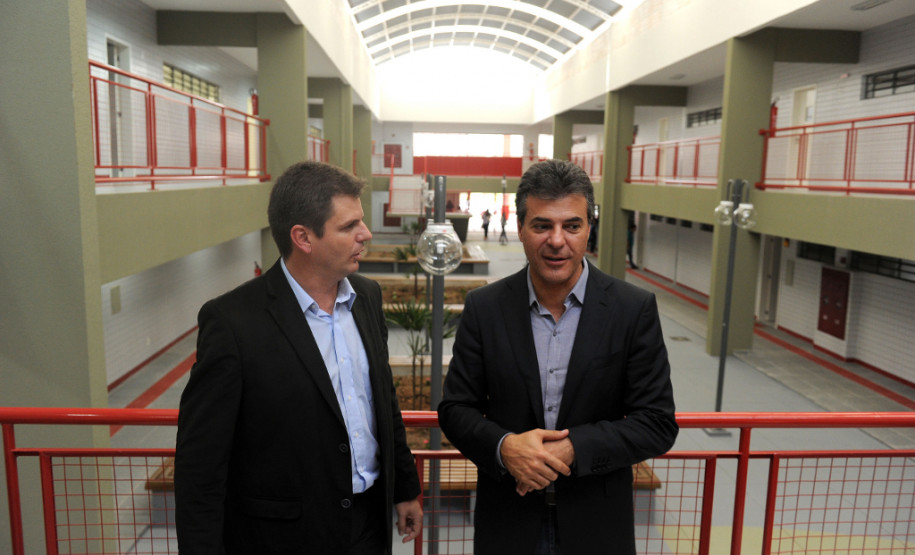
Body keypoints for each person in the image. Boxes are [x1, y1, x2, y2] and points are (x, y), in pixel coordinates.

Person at [175, 160, 423, 554]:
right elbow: (200, 465)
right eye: (349, 226)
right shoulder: (233, 322)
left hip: (369, 526)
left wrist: (405, 488)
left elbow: (383, 403)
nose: (366, 234)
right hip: (284, 537)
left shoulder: (367, 297)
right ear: (303, 238)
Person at [438, 159, 677, 555]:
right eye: (541, 225)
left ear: (589, 228)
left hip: (596, 528)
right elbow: (455, 409)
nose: (556, 240)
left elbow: (657, 423)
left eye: (571, 225)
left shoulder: (632, 310)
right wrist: (505, 447)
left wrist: (574, 448)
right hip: (508, 524)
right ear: (520, 228)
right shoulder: (485, 308)